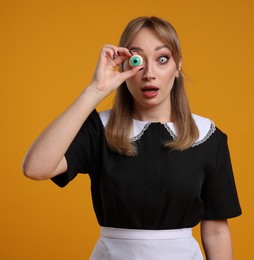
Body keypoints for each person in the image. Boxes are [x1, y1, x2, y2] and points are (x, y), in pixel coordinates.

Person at [22, 16, 241, 260]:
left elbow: (216, 231)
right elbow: (35, 168)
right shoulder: (100, 129)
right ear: (125, 67)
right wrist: (95, 90)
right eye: (137, 60)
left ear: (177, 65)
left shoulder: (208, 137)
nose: (149, 73)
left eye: (162, 59)